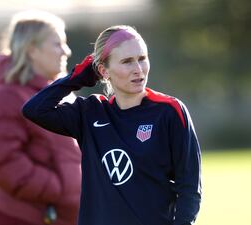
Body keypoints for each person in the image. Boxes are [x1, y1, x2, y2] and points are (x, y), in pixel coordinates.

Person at [22, 25, 202, 225]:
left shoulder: (169, 111)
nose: (138, 69)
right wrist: (78, 77)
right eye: (127, 62)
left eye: (142, 58)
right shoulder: (90, 113)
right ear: (103, 71)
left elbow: (190, 187)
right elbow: (34, 109)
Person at [0, 10, 81, 225]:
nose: (66, 51)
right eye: (57, 44)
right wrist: (58, 187)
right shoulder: (6, 97)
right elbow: (2, 162)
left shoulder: (63, 95)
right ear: (32, 50)